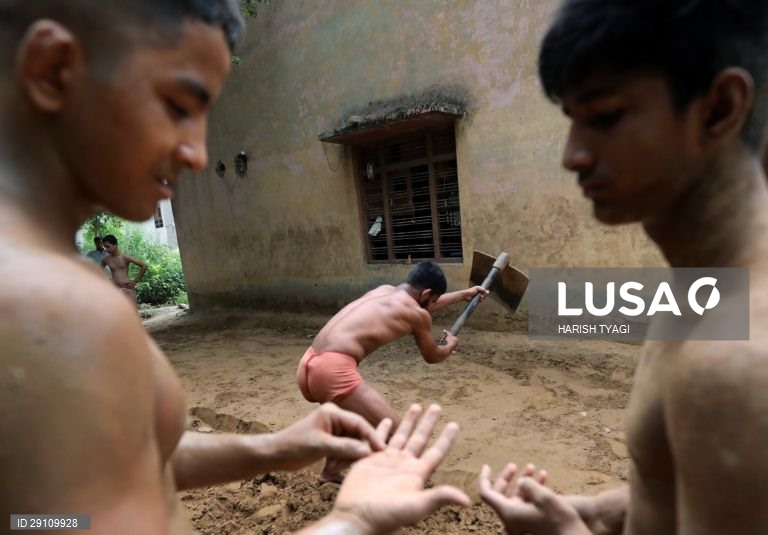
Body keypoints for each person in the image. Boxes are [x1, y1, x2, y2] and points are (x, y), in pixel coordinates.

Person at [0, 1, 468, 533]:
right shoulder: (44, 308)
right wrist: (353, 522)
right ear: (52, 69)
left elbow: (96, 487)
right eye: (179, 105)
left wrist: (271, 449)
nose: (199, 153)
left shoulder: (51, 281)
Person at [479, 1, 768, 534]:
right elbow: (687, 484)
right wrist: (601, 512)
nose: (572, 156)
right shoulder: (702, 297)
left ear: (720, 108)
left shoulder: (736, 368)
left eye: (605, 117)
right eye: (573, 121)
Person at [297, 261, 488, 481]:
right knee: (398, 434)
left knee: (358, 420)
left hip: (309, 362)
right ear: (426, 293)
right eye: (433, 298)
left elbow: (422, 307)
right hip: (332, 371)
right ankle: (388, 487)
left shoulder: (384, 291)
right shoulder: (416, 314)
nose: (432, 304)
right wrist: (451, 344)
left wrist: (464, 294)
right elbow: (433, 356)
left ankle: (332, 469)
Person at [101, 234, 147, 304]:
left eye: (108, 246)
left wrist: (135, 281)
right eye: (105, 247)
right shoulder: (106, 259)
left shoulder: (124, 257)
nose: (106, 249)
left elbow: (144, 266)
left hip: (127, 289)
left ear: (115, 245)